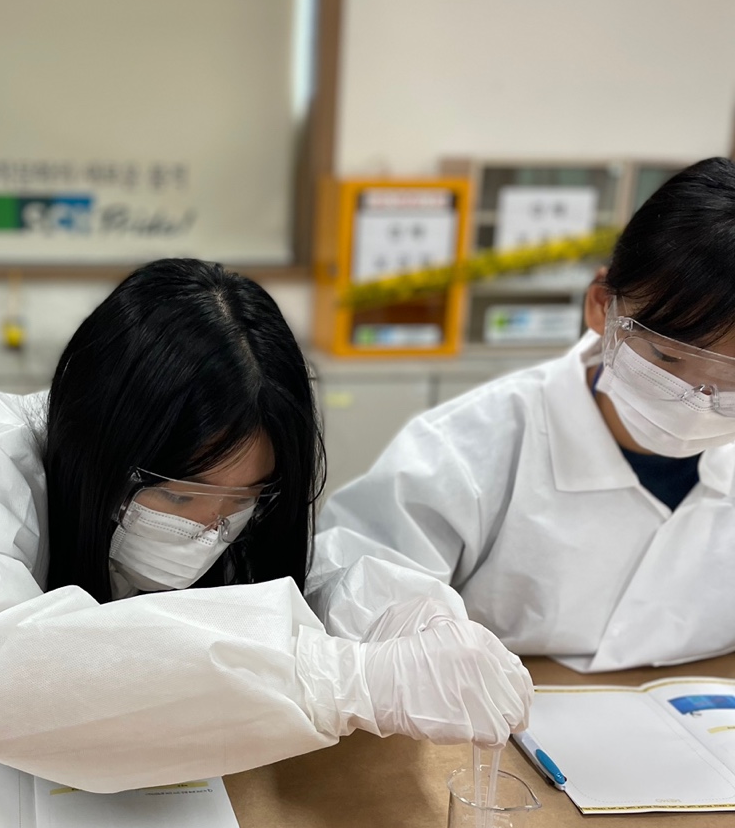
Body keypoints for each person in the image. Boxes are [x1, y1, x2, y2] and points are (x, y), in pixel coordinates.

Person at [0, 259, 530, 790]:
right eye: (179, 497)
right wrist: (334, 679)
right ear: (106, 448)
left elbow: (315, 579)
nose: (210, 530)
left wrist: (398, 620)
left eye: (242, 499)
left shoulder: (249, 510)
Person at [312, 157, 735, 673]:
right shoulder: (465, 448)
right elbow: (350, 594)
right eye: (666, 358)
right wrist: (408, 641)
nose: (698, 397)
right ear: (601, 306)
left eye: (732, 380)